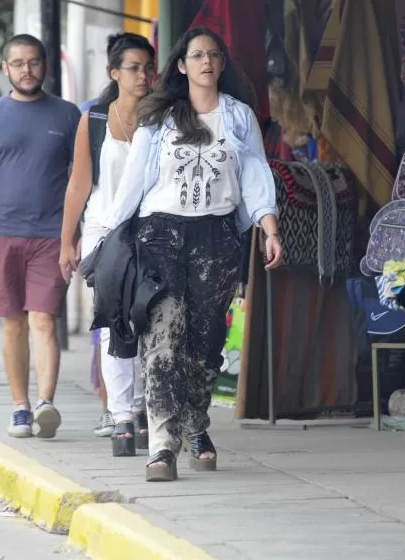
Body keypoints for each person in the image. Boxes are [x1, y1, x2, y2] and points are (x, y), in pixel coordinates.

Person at [100, 27, 284, 481]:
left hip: (217, 238)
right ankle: (162, 444)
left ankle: (197, 428)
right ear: (181, 65)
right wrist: (107, 236)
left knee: (206, 343)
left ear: (221, 64)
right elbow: (134, 183)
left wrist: (269, 226)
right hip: (160, 235)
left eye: (213, 55)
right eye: (197, 55)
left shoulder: (239, 117)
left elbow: (257, 173)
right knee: (162, 338)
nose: (206, 62)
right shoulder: (158, 118)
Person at [0, 34, 81, 439]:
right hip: (4, 233)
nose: (26, 70)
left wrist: (75, 232)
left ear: (44, 66)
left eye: (33, 62)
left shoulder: (68, 116)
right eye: (18, 64)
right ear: (6, 68)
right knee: (14, 323)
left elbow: (79, 179)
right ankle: (20, 406)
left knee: (43, 319)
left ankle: (46, 402)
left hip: (52, 234)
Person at [60, 32, 156, 454]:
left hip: (154, 228)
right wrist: (68, 241)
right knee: (112, 321)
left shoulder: (163, 119)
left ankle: (143, 407)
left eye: (148, 68)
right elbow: (79, 184)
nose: (143, 76)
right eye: (134, 68)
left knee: (151, 318)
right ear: (114, 73)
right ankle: (121, 414)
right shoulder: (95, 119)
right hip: (104, 230)